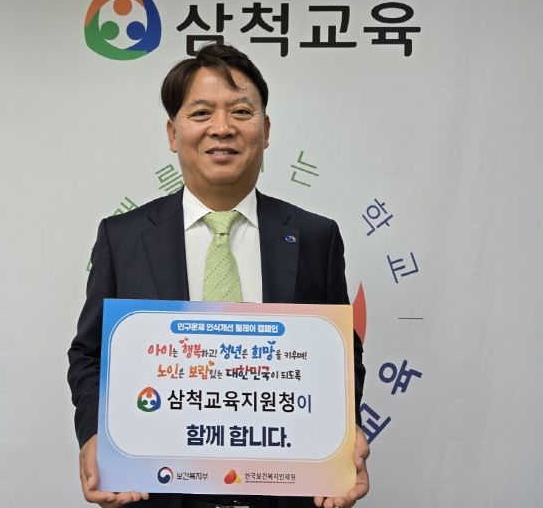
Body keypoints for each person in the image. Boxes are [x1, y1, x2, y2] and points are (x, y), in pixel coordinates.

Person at [68, 43, 369, 508]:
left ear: (266, 131)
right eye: (201, 112)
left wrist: (343, 435)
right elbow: (89, 355)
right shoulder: (123, 237)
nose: (223, 128)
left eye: (242, 111)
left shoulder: (315, 236)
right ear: (173, 133)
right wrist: (94, 436)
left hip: (286, 492)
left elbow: (340, 354)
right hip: (154, 491)